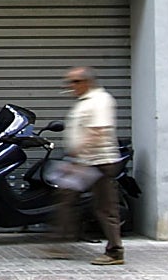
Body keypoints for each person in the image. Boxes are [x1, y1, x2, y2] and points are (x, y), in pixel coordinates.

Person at [46, 66, 125, 266]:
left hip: (100, 163)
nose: (70, 86)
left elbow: (97, 131)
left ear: (85, 82)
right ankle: (60, 244)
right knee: (65, 197)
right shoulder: (85, 101)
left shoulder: (100, 100)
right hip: (84, 162)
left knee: (105, 208)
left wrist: (76, 153)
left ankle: (115, 252)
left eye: (73, 82)